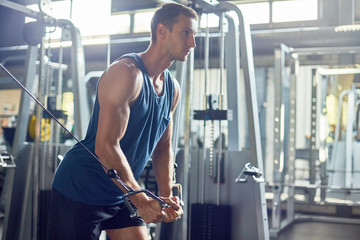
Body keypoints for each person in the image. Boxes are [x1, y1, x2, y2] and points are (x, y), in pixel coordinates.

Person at [47, 3, 198, 240]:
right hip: (81, 189)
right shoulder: (126, 74)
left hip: (121, 193)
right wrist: (140, 198)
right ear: (162, 31)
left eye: (194, 35)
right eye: (186, 33)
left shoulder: (171, 88)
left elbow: (163, 147)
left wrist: (166, 196)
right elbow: (106, 146)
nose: (192, 43)